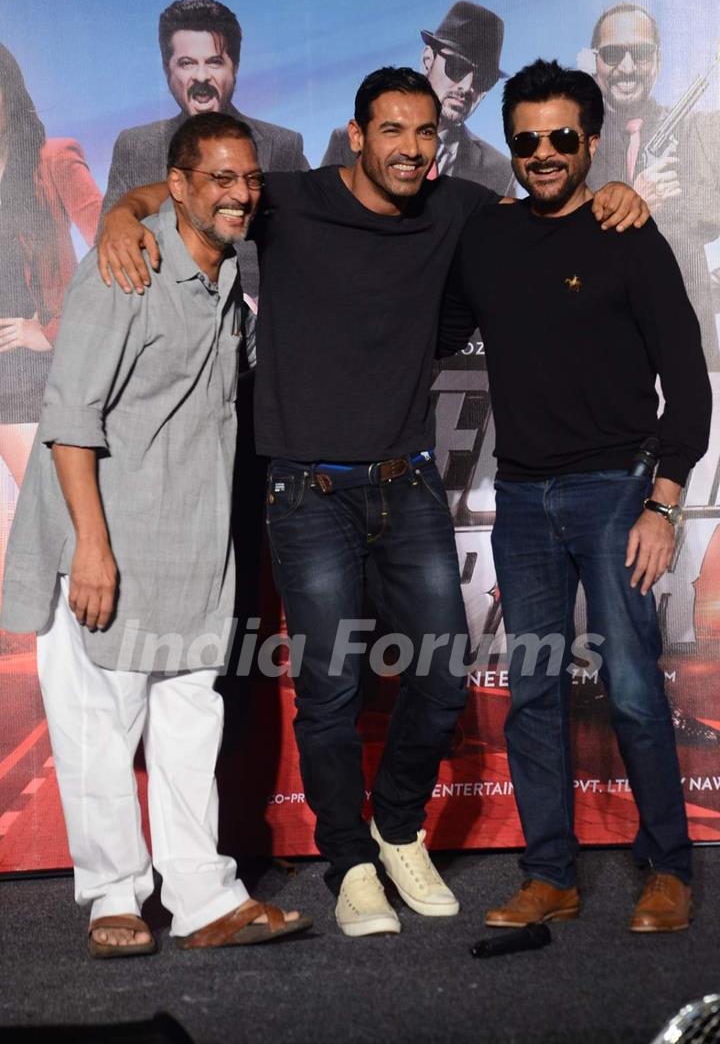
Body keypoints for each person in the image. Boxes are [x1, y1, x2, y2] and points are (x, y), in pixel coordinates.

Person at [95, 69, 647, 938]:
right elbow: (181, 192)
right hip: (303, 489)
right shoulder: (284, 198)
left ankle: (395, 826)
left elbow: (550, 196)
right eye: (391, 130)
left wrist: (615, 191)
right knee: (331, 690)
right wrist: (123, 218)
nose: (410, 148)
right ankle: (349, 859)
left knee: (441, 673)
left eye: (423, 132)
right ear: (355, 136)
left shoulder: (457, 207)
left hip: (407, 479)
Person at [0, 113, 311, 956]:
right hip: (105, 544)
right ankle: (113, 897)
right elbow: (70, 422)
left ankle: (204, 893)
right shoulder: (122, 271)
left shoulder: (223, 286)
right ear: (178, 188)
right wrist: (91, 549)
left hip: (194, 550)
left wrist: (126, 207)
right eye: (219, 179)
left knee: (188, 726)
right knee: (100, 727)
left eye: (249, 178)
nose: (242, 194)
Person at [441, 59, 711, 932]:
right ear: (512, 147)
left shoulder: (628, 233)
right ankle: (549, 870)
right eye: (528, 139)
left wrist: (664, 502)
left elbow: (691, 386)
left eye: (563, 137)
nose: (545, 152)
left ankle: (667, 868)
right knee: (533, 692)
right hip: (521, 499)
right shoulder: (486, 236)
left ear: (591, 140)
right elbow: (431, 325)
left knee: (633, 685)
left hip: (618, 490)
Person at [101, 0, 309, 302]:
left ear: (234, 68)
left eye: (214, 62)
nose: (201, 77)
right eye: (186, 63)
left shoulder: (281, 146)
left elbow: (310, 244)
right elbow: (108, 251)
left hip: (251, 329)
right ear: (166, 70)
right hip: (158, 324)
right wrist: (120, 216)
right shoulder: (134, 147)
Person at [0, 43, 102, 608]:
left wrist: (55, 329)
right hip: (3, 378)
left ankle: (92, 669)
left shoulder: (54, 159)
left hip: (43, 371)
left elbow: (117, 251)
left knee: (67, 526)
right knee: (45, 530)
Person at [586, 1, 720, 369]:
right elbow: (556, 257)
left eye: (641, 54)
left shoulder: (702, 134)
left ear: (657, 62)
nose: (627, 68)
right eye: (613, 54)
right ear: (595, 64)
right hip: (600, 358)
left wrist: (709, 286)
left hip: (688, 360)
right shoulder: (572, 150)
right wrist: (636, 203)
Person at [321, 1, 515, 195]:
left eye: (483, 79)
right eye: (456, 67)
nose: (467, 87)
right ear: (427, 60)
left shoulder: (501, 172)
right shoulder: (347, 143)